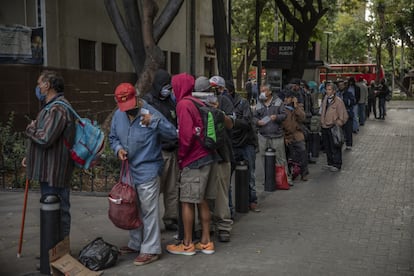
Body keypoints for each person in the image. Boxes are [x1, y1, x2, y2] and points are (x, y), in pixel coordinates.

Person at [109, 82, 177, 266]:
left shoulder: (150, 112)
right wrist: (118, 149)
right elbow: (113, 138)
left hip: (148, 168)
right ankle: (136, 242)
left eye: (130, 106)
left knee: (149, 210)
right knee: (132, 207)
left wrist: (155, 122)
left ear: (136, 99)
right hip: (129, 171)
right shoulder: (118, 115)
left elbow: (172, 134)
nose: (127, 111)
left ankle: (151, 249)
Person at [166, 73, 216, 256]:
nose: (172, 90)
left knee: (186, 201)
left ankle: (187, 244)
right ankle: (205, 241)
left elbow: (185, 137)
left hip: (193, 160)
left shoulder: (183, 105)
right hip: (207, 157)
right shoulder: (198, 102)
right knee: (202, 200)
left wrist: (181, 157)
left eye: (174, 86)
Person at [23, 70, 75, 242]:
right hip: (49, 169)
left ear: (48, 85)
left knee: (58, 210)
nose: (38, 88)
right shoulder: (51, 107)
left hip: (55, 171)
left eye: (39, 84)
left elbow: (45, 138)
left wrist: (30, 129)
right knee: (51, 210)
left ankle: (59, 250)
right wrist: (30, 156)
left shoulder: (58, 108)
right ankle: (51, 250)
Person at [142, 69, 179, 231]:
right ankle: (151, 223)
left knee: (172, 189)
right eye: (164, 86)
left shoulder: (171, 101)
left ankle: (171, 218)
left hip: (173, 151)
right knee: (154, 190)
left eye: (169, 86)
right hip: (158, 152)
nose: (167, 89)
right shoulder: (148, 102)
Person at [225, 79, 258, 214]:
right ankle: (230, 208)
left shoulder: (242, 103)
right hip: (230, 143)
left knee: (250, 174)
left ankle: (252, 200)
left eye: (223, 91)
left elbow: (246, 122)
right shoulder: (219, 103)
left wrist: (231, 121)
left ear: (230, 91)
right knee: (227, 178)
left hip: (245, 143)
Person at [253, 83, 290, 189]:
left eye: (264, 91)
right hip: (263, 135)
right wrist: (257, 122)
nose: (262, 93)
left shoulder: (278, 102)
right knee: (264, 158)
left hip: (276, 135)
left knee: (280, 158)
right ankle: (268, 179)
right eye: (261, 91)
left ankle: (283, 179)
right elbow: (254, 116)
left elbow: (284, 115)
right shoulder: (259, 103)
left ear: (269, 92)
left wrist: (276, 117)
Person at [320, 82, 349, 172]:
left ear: (333, 91)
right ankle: (330, 163)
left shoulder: (338, 101)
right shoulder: (325, 99)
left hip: (333, 127)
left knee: (335, 146)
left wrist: (338, 123)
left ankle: (337, 164)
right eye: (326, 89)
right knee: (327, 146)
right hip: (324, 126)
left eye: (329, 90)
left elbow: (344, 116)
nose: (327, 91)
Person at [282, 92, 309, 181]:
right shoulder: (282, 108)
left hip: (297, 134)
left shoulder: (298, 107)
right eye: (285, 97)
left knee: (302, 151)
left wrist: (296, 106)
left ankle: (304, 173)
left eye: (288, 97)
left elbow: (302, 117)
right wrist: (285, 137)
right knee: (286, 155)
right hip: (286, 135)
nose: (286, 99)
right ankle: (288, 173)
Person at [337, 80, 356, 150]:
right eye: (339, 85)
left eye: (342, 85)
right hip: (339, 115)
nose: (341, 86)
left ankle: (349, 144)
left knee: (348, 130)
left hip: (347, 114)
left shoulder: (348, 93)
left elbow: (353, 101)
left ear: (344, 86)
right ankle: (339, 142)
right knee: (339, 130)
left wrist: (345, 101)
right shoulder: (337, 93)